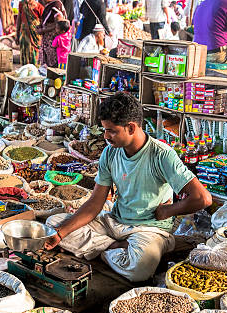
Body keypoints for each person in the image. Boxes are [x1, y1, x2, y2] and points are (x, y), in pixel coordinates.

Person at [45, 92, 212, 282]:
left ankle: (103, 248)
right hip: (114, 222)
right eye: (104, 130)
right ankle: (114, 247)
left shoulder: (162, 155)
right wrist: (60, 234)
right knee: (53, 224)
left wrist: (168, 210)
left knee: (139, 267)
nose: (106, 136)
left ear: (131, 127)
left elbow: (203, 198)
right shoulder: (110, 153)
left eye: (112, 131)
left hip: (148, 230)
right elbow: (94, 204)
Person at [38, 0, 67, 67]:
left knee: (53, 66)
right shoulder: (50, 5)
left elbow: (59, 22)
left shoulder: (56, 5)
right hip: (49, 42)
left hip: (53, 42)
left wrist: (43, 30)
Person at [17, 0, 44, 65]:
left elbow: (43, 22)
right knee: (25, 54)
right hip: (24, 34)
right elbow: (19, 19)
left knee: (35, 54)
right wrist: (17, 33)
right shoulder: (22, 4)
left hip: (36, 35)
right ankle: (25, 69)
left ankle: (35, 70)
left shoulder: (39, 7)